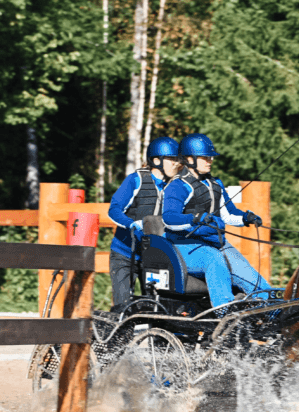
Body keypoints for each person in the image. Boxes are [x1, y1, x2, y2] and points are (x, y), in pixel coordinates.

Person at [162, 133, 270, 311]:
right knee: (213, 259)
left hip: (216, 243)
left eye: (211, 157)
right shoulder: (178, 186)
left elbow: (228, 214)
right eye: (205, 157)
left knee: (251, 276)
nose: (210, 161)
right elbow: (169, 219)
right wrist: (194, 218)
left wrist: (245, 218)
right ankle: (224, 313)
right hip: (185, 246)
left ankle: (272, 313)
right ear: (189, 159)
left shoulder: (215, 184)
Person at [107, 136, 182, 308]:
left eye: (177, 159)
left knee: (158, 305)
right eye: (171, 159)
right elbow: (114, 209)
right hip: (125, 253)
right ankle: (121, 332)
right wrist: (131, 224)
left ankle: (152, 335)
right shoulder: (136, 180)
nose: (176, 164)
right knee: (124, 305)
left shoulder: (175, 187)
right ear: (156, 160)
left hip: (154, 256)